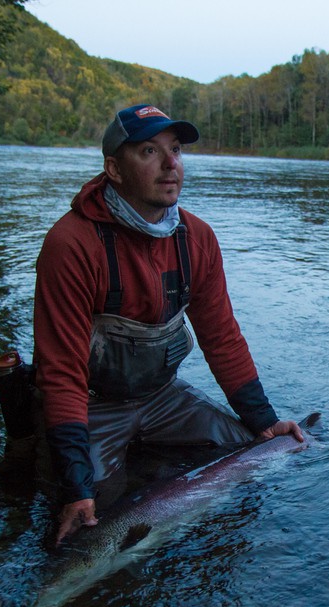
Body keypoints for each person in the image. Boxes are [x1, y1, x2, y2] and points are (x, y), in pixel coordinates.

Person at [32, 103, 302, 545]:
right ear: (114, 169)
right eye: (149, 152)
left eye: (175, 150)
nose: (170, 163)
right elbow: (60, 372)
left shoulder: (197, 238)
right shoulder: (71, 244)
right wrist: (77, 487)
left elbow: (222, 336)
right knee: (92, 514)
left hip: (161, 397)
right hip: (93, 402)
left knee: (253, 452)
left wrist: (264, 420)